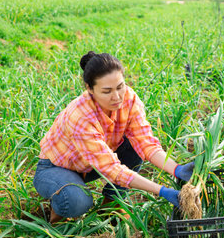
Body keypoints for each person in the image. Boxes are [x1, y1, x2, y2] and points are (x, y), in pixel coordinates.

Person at [33, 51, 194, 224]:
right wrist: (163, 191)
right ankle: (59, 212)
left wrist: (177, 169)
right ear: (90, 89)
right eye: (107, 91)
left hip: (91, 164)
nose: (116, 97)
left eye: (120, 87)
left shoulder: (129, 99)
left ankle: (110, 206)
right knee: (77, 202)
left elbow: (146, 143)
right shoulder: (80, 115)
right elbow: (111, 169)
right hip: (57, 168)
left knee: (134, 147)